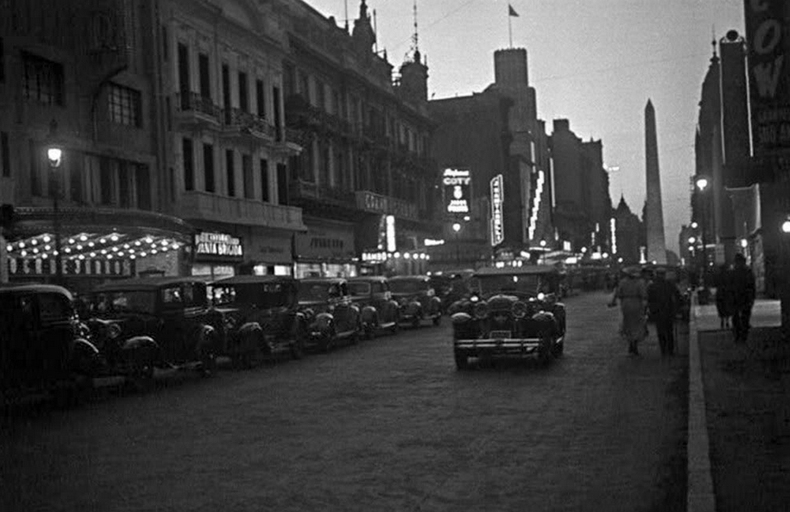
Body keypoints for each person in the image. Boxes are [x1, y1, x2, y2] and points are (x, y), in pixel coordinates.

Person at [608, 267, 648, 355]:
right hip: (636, 303)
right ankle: (635, 344)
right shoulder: (640, 282)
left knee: (628, 323)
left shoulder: (623, 282)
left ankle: (630, 342)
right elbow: (644, 294)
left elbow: (618, 293)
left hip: (625, 304)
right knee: (637, 324)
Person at [647, 267, 681, 355]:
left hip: (658, 311)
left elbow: (649, 299)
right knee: (669, 331)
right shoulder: (669, 284)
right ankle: (670, 349)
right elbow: (677, 295)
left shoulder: (652, 286)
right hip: (668, 309)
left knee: (661, 331)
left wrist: (651, 310)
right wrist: (678, 307)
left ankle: (663, 349)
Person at [728, 253, 756, 343]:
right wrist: (752, 297)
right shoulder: (748, 272)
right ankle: (743, 335)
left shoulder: (733, 272)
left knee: (737, 317)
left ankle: (738, 335)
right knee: (744, 317)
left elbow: (729, 286)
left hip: (737, 297)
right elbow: (752, 285)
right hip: (745, 297)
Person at [714, 264, 732, 329]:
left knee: (721, 307)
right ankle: (727, 321)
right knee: (726, 307)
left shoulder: (718, 276)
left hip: (720, 294)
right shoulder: (728, 276)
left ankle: (722, 320)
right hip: (726, 294)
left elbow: (715, 283)